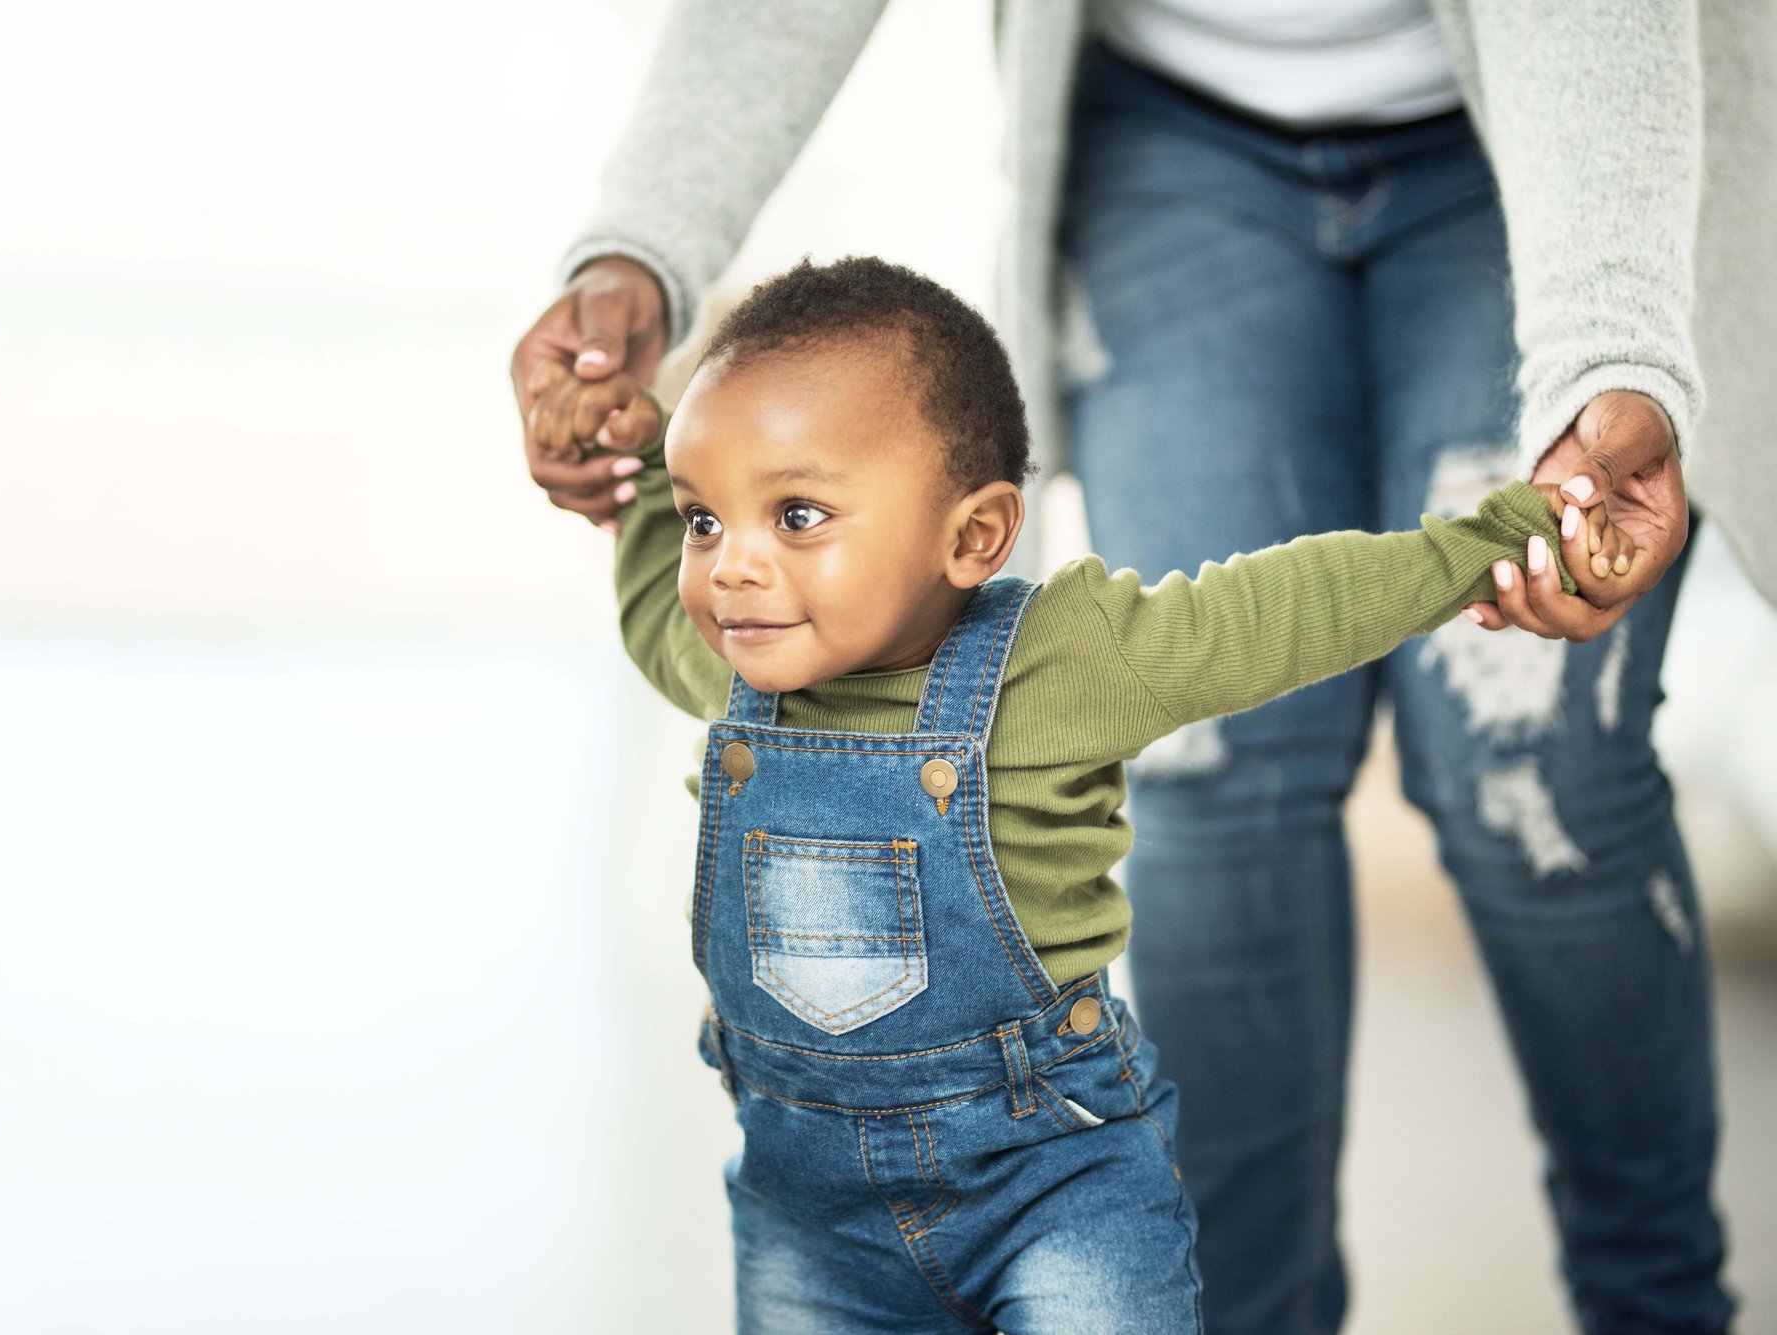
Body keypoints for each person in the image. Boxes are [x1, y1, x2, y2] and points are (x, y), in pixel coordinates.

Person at [511, 7, 1765, 1331]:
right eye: (716, 524)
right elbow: (654, 555)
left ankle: (1660, 1302)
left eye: (798, 518)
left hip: (1544, 137)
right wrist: (634, 315)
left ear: (978, 535)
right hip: (1169, 139)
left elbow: (1276, 609)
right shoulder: (724, 662)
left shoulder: (1062, 661)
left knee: (1531, 776)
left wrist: (1494, 532)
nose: (734, 570)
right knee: (1222, 793)